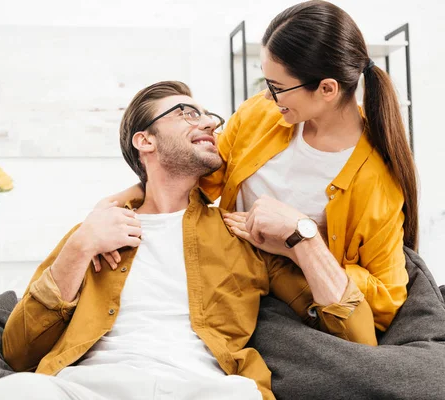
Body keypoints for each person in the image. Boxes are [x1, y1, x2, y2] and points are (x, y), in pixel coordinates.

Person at [0, 81, 373, 400]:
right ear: (144, 141)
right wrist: (79, 248)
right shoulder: (95, 231)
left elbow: (358, 336)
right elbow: (18, 351)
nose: (209, 123)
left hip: (207, 389)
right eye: (186, 113)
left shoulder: (241, 234)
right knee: (7, 393)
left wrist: (302, 235)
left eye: (208, 115)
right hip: (90, 386)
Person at [99, 1, 417, 339]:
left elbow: (385, 300)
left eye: (278, 87)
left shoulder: (377, 180)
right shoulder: (261, 114)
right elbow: (196, 178)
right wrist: (115, 204)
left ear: (327, 89)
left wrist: (298, 241)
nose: (268, 95)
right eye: (268, 81)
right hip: (234, 277)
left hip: (302, 300)